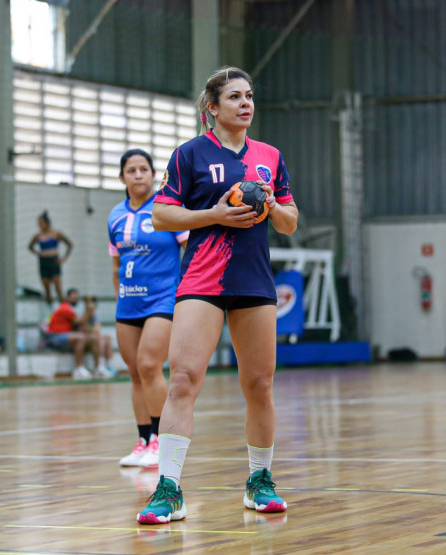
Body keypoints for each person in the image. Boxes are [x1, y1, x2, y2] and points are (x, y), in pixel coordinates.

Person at [137, 67, 298, 524]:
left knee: (259, 385)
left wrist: (271, 205)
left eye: (249, 96)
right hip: (202, 282)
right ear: (212, 107)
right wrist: (216, 215)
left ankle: (259, 481)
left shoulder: (269, 156)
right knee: (184, 379)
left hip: (253, 282)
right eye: (234, 97)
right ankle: (168, 489)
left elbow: (290, 220)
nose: (245, 104)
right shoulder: (189, 154)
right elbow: (163, 216)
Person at [108, 148, 189, 468]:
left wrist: (185, 294)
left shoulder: (166, 210)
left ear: (153, 175)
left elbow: (189, 252)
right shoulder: (115, 215)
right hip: (128, 302)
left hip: (162, 299)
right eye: (132, 170)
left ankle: (160, 440)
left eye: (144, 169)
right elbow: (115, 265)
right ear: (122, 177)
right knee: (134, 372)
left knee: (149, 365)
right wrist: (119, 297)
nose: (139, 175)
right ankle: (143, 441)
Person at [42, 292, 106, 379]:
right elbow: (80, 321)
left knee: (94, 338)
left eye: (77, 297)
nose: (76, 299)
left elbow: (87, 326)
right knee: (81, 338)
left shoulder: (70, 309)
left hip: (63, 336)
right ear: (67, 297)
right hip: (54, 337)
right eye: (73, 297)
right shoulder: (65, 308)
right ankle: (79, 369)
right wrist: (89, 310)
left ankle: (98, 368)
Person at [28, 211, 73, 305]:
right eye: (39, 223)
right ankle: (50, 309)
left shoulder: (56, 233)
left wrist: (64, 258)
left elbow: (69, 244)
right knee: (47, 288)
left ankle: (64, 307)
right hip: (43, 261)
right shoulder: (38, 235)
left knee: (58, 288)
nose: (40, 225)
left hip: (53, 260)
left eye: (42, 223)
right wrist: (38, 253)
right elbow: (30, 246)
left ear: (47, 222)